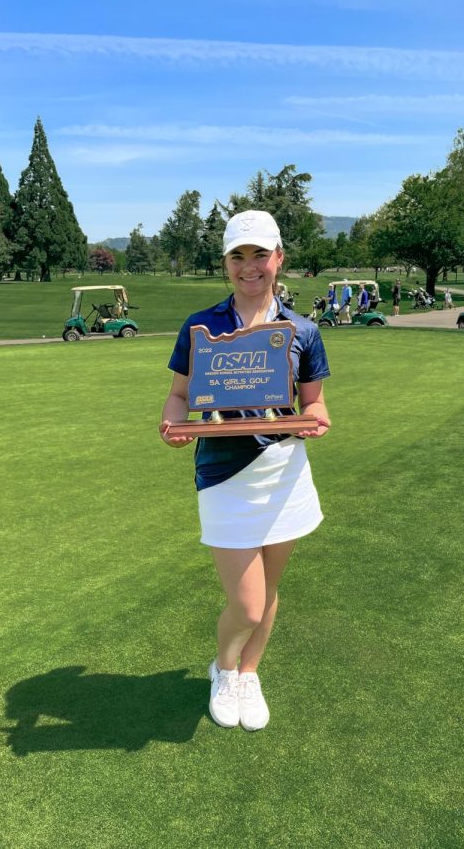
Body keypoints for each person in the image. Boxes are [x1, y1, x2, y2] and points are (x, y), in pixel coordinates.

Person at [160, 210, 331, 732]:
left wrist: (314, 423)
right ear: (226, 263)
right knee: (249, 605)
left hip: (283, 474)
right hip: (222, 475)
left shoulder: (303, 330)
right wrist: (172, 424)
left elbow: (316, 405)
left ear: (279, 258)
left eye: (260, 254)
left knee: (269, 592)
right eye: (239, 256)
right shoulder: (202, 326)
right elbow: (178, 396)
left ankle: (248, 674)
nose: (250, 266)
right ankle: (223, 668)